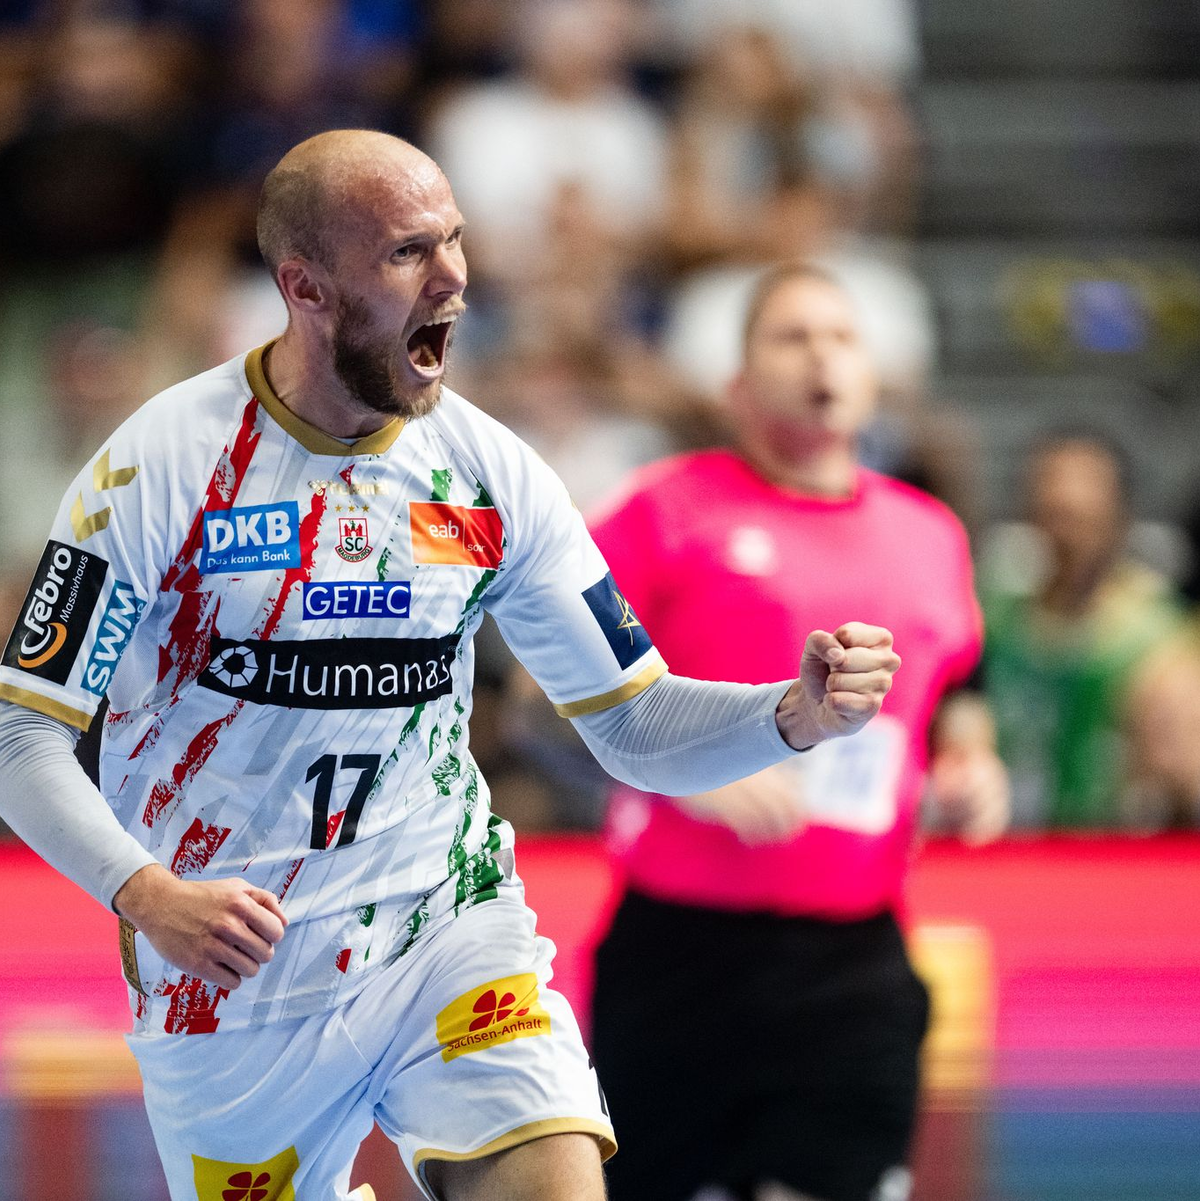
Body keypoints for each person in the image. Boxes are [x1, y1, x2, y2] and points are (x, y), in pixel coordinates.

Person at [0, 132, 901, 1201]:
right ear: (306, 288)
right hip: (231, 982)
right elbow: (24, 737)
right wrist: (148, 893)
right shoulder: (159, 467)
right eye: (408, 253)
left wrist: (787, 716)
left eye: (457, 242)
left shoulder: (488, 472)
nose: (457, 278)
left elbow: (632, 719)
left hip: (445, 925)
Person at [587, 263, 1008, 1201]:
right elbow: (546, 705)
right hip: (678, 962)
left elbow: (958, 682)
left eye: (842, 336)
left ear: (872, 379)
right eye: (791, 335)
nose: (822, 355)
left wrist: (972, 758)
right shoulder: (662, 510)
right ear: (737, 386)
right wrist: (686, 772)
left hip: (853, 963)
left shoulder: (931, 532)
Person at [982, 432, 1185, 827]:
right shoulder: (997, 624)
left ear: (1118, 521)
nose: (1067, 539)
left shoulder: (1156, 638)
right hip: (1008, 848)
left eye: (1081, 520)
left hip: (1107, 854)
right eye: (1053, 516)